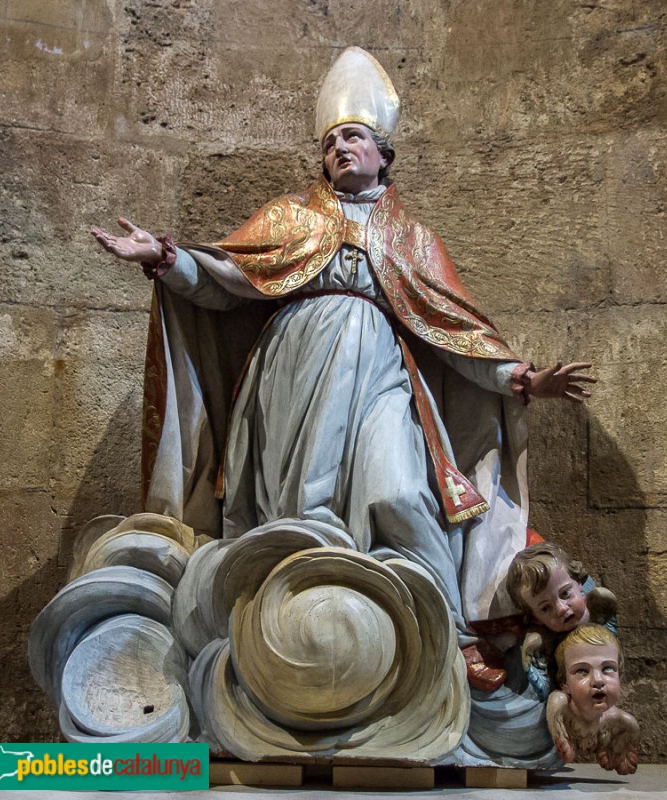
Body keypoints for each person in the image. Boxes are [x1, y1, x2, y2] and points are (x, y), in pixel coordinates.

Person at [91, 47, 596, 692]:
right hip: (294, 375)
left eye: (354, 137)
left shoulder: (411, 238)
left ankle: (450, 641)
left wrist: (522, 379)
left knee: (401, 494)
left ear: (384, 152)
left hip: (381, 376)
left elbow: (455, 333)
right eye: (331, 143)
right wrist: (164, 258)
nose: (341, 150)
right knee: (301, 510)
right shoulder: (290, 217)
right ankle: (278, 642)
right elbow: (225, 280)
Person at [507, 541, 618, 698]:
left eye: (565, 594)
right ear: (535, 618)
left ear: (579, 582)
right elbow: (545, 688)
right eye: (546, 608)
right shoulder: (542, 641)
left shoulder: (597, 608)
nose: (561, 608)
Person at [547, 625, 639, 774]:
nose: (598, 680)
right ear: (564, 683)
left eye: (608, 668)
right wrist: (556, 730)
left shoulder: (624, 724)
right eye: (582, 671)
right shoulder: (561, 706)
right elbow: (555, 701)